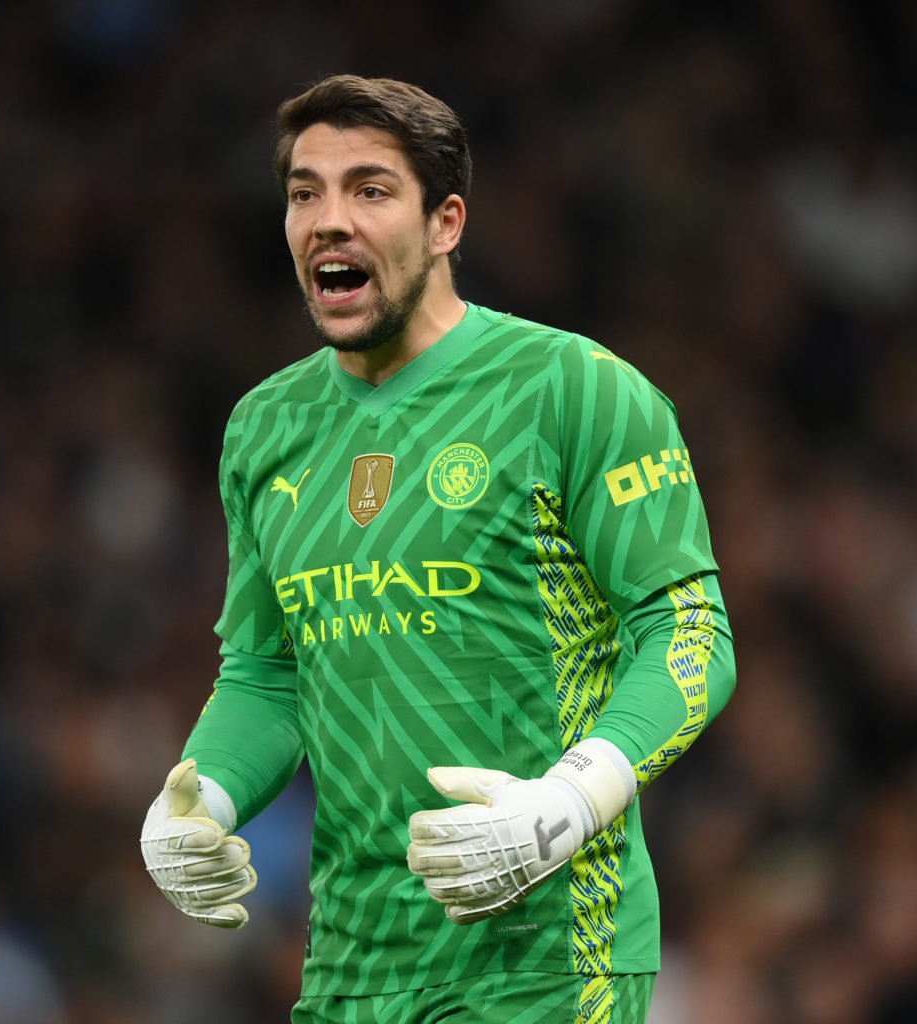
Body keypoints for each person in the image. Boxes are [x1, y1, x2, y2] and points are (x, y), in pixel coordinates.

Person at [140, 74, 737, 1024]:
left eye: (369, 190)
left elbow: (690, 634)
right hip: (352, 966)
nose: (328, 220)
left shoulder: (572, 388)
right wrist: (193, 806)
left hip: (546, 954)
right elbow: (266, 674)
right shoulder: (264, 428)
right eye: (305, 192)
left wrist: (568, 804)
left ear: (446, 223)